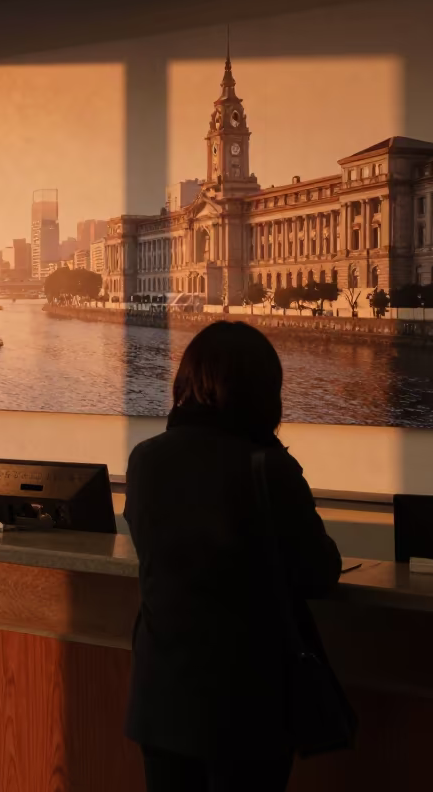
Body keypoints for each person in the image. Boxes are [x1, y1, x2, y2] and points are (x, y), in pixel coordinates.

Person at [124, 321, 342, 792]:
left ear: (186, 382)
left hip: (161, 698)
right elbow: (319, 574)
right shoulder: (267, 467)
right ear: (265, 392)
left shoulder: (145, 458)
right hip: (248, 707)